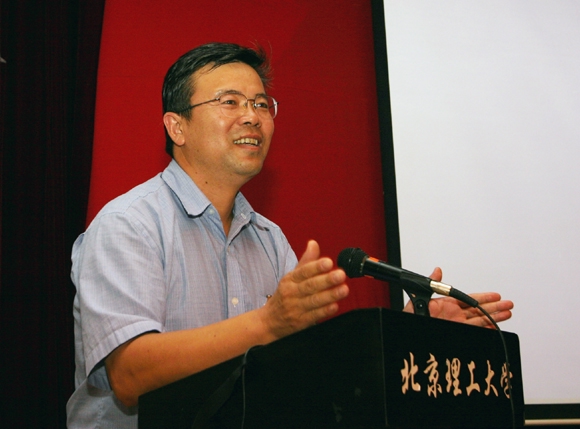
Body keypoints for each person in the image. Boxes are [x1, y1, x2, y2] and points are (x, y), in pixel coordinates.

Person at [66, 42, 514, 428]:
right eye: (230, 102)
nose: (252, 117)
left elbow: (311, 369)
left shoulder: (268, 239)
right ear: (176, 126)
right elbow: (129, 376)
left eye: (262, 104)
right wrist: (267, 323)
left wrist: (409, 334)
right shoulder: (129, 224)